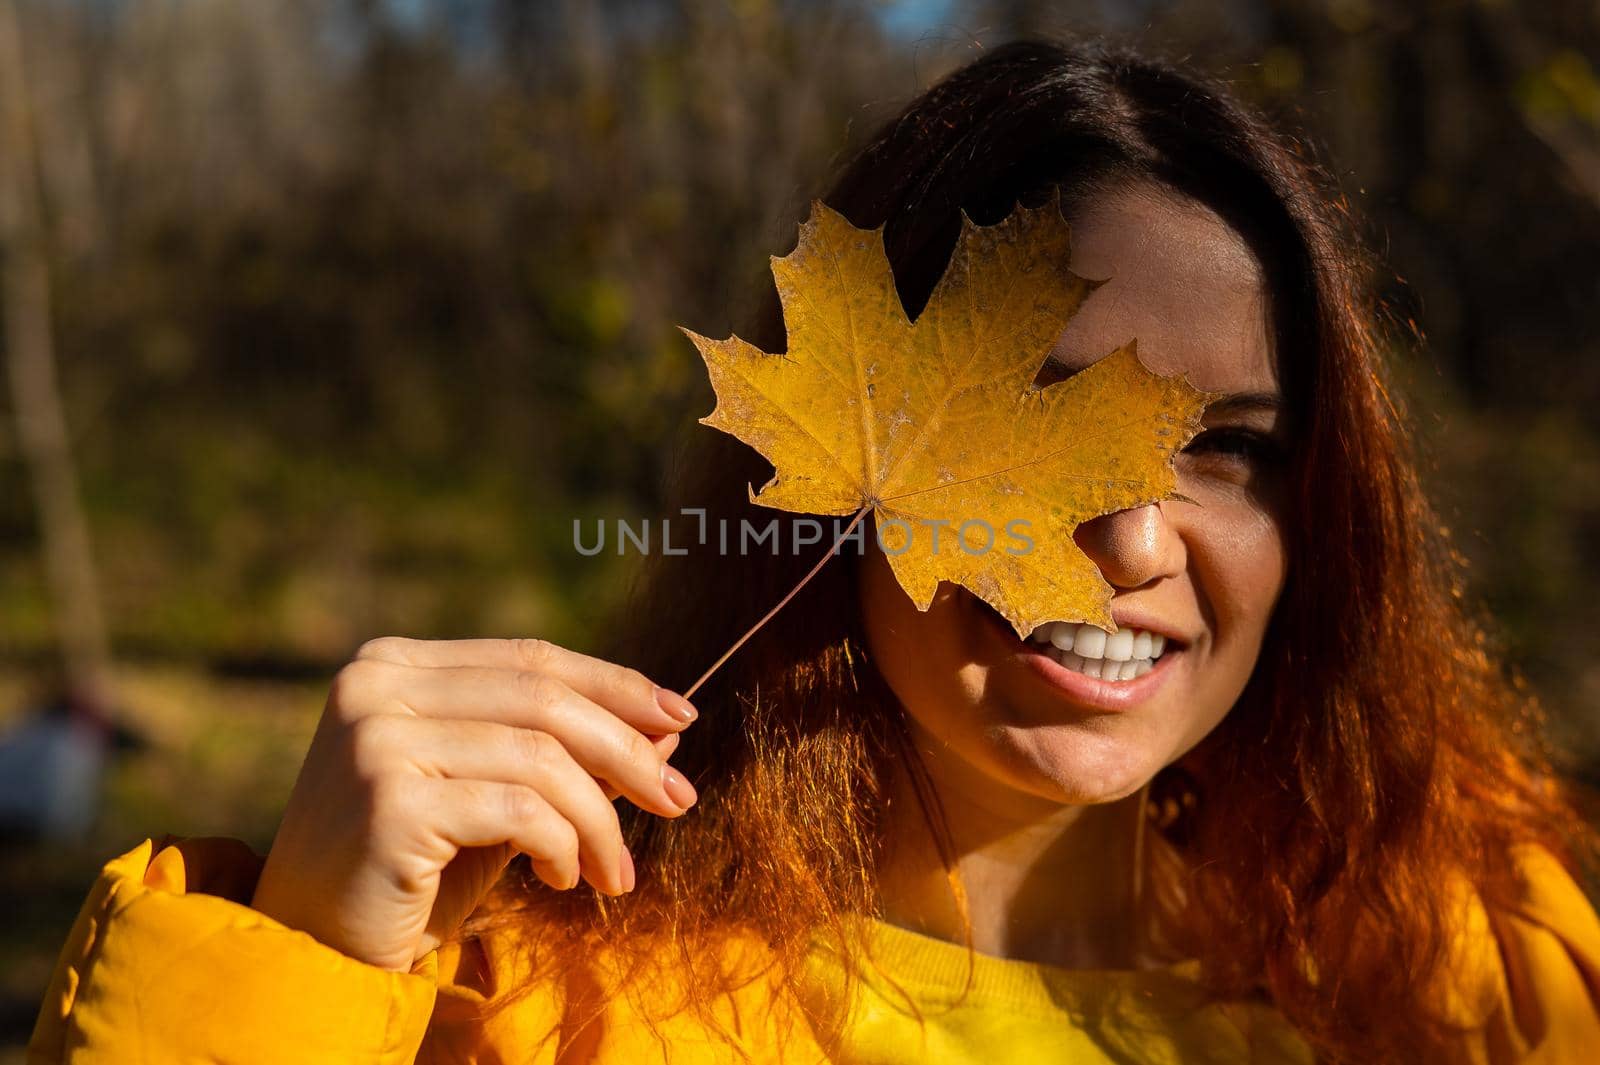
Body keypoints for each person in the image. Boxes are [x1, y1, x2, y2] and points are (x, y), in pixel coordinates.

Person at [28, 38, 1600, 1065]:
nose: (1129, 536)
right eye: (1050, 423)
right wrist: (301, 963)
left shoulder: (1471, 989)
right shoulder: (546, 1011)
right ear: (840, 468)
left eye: (1232, 446)